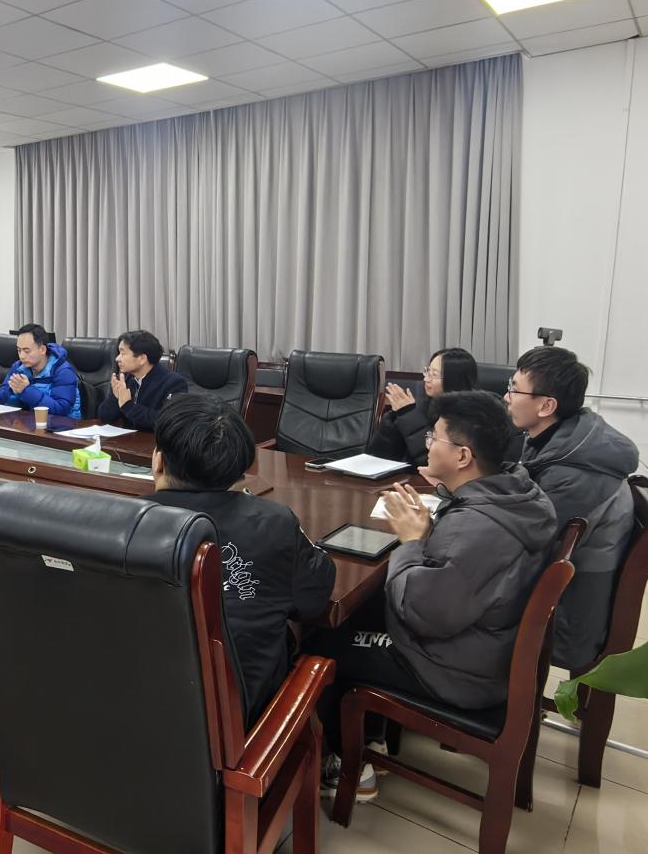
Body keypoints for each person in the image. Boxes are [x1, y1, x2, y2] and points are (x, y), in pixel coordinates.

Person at [310, 391, 557, 802]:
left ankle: (350, 767)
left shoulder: (475, 528)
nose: (426, 443)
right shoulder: (516, 493)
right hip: (487, 646)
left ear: (462, 456)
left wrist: (412, 540)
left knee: (324, 646)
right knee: (363, 611)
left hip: (457, 669)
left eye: (433, 437)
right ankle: (371, 737)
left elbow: (421, 613)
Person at [148, 395, 336, 729]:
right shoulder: (274, 523)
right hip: (240, 724)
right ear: (239, 470)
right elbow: (313, 599)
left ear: (158, 461)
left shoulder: (119, 526)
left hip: (140, 713)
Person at [506, 347, 639, 670]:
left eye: (514, 389)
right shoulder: (565, 440)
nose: (506, 397)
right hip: (562, 588)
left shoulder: (574, 473)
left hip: (568, 611)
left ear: (546, 406)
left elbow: (527, 541)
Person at [367, 348, 478, 466]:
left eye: (434, 375)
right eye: (427, 371)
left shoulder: (470, 416)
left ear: (454, 379)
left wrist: (408, 415)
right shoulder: (423, 405)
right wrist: (394, 419)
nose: (426, 379)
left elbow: (434, 463)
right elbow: (379, 457)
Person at [97, 330, 188, 431]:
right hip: (127, 439)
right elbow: (104, 417)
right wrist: (116, 398)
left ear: (142, 359)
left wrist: (128, 405)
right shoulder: (123, 379)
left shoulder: (173, 383)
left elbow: (167, 421)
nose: (117, 358)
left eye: (123, 353)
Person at [0, 323, 81, 419]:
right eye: (19, 350)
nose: (22, 356)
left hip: (64, 425)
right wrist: (9, 390)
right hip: (29, 422)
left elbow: (61, 410)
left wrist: (26, 391)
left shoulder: (63, 371)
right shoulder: (18, 367)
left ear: (42, 350)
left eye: (27, 351)